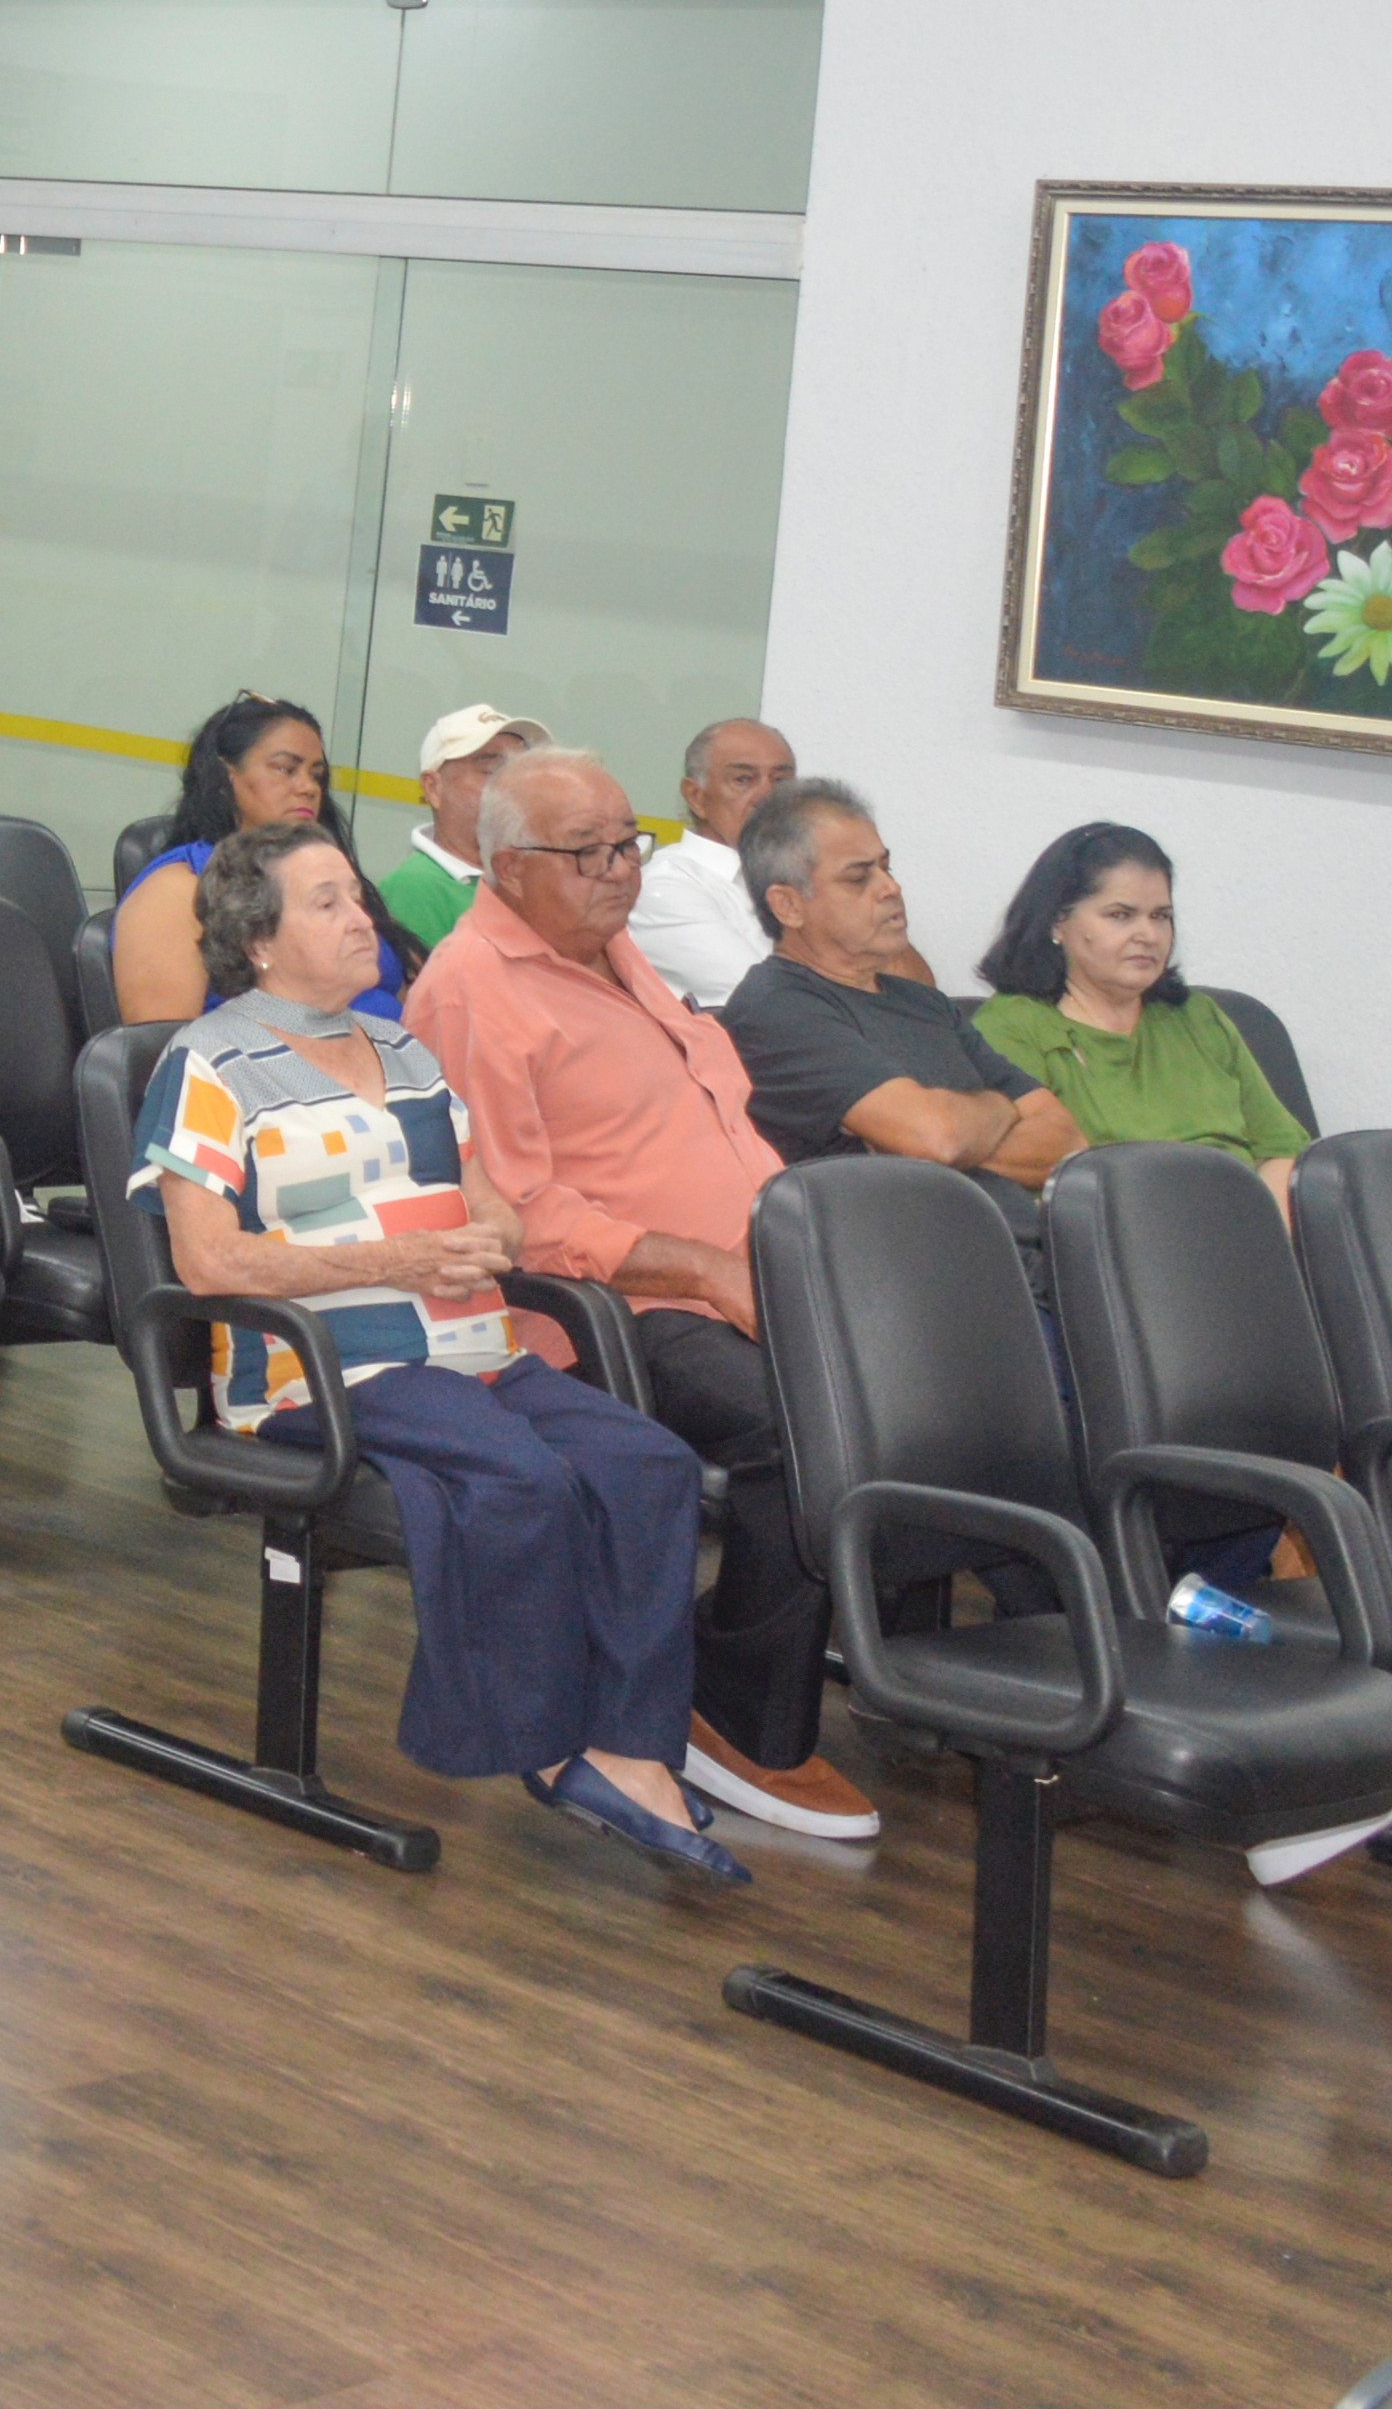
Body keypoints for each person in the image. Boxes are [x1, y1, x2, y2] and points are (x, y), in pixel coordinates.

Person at [140, 827, 738, 1885]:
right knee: (521, 1477)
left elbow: (492, 1201)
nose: (361, 917)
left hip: (469, 1345)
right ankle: (548, 1746)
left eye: (356, 896)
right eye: (326, 903)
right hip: (326, 1366)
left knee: (650, 1465)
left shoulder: (404, 1050)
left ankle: (631, 1742)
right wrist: (399, 1257)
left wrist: (489, 1237)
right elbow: (206, 1259)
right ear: (259, 941)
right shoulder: (208, 1062)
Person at [403, 745, 869, 1847]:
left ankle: (751, 1650)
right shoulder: (471, 990)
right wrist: (702, 1267)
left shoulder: (615, 955)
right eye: (589, 852)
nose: (622, 870)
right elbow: (516, 1212)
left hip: (747, 1271)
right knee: (802, 1429)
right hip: (599, 1313)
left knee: (925, 1390)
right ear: (509, 867)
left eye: (629, 843)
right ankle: (739, 1714)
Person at [715, 779, 1078, 1187]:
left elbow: (1066, 1143)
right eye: (858, 878)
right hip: (890, 1228)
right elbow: (935, 1139)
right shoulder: (776, 1008)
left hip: (1004, 1225)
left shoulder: (926, 1003)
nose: (891, 888)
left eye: (886, 867)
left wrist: (952, 1138)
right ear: (788, 905)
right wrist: (1002, 1106)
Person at [971, 823, 1308, 1199]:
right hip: (1115, 1227)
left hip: (1242, 1222)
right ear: (1058, 923)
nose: (1148, 935)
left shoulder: (1198, 1017)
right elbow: (1013, 1175)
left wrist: (1268, 1229)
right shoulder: (1012, 1027)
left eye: (1160, 916)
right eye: (1121, 915)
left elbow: (1281, 1150)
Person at [111, 695, 401, 1033]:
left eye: (316, 775)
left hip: (390, 1057)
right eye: (285, 769)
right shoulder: (177, 890)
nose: (308, 788)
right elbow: (164, 1048)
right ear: (226, 775)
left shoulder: (336, 878)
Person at [619, 716, 794, 1009]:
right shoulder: (667, 885)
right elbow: (773, 1003)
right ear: (696, 797)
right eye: (743, 780)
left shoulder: (802, 878)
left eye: (781, 782)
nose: (766, 796)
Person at [371, 701, 544, 962]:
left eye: (521, 773)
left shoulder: (530, 876)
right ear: (433, 788)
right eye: (492, 771)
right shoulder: (414, 888)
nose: (512, 787)